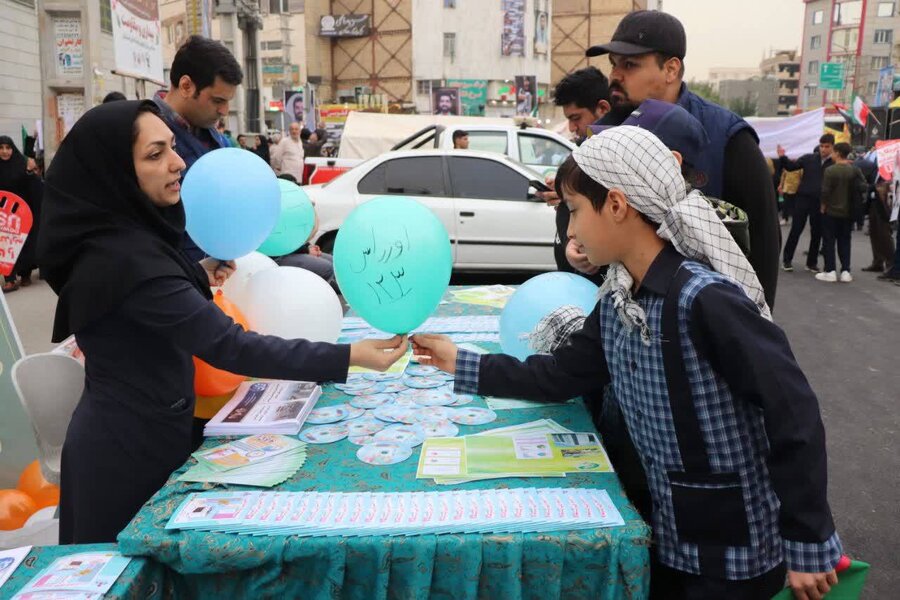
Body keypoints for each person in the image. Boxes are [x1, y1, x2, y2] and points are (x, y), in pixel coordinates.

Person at [412, 126, 842, 600]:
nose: (570, 230)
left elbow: (793, 410)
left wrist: (808, 536)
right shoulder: (619, 297)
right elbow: (560, 374)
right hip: (671, 530)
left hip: (735, 548)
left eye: (574, 211)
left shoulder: (704, 300)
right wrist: (462, 363)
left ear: (617, 205)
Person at [37, 100, 408, 545]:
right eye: (155, 155)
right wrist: (350, 356)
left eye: (173, 148)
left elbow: (152, 301)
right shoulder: (125, 261)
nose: (177, 164)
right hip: (125, 455)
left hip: (146, 429)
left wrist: (198, 272)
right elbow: (231, 346)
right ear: (114, 171)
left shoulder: (124, 240)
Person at [587, 9, 780, 309]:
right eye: (613, 65)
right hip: (625, 312)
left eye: (630, 64)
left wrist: (754, 329)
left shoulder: (726, 136)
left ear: (671, 69)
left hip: (705, 317)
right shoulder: (606, 132)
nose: (615, 76)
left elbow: (764, 241)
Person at [152, 35, 242, 262]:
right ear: (186, 86)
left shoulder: (213, 136)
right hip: (171, 273)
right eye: (217, 100)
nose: (224, 110)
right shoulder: (142, 133)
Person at [546, 67, 611, 284]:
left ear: (602, 108)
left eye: (576, 118)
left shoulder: (618, 160)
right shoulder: (583, 152)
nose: (572, 127)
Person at [777, 135, 835, 273]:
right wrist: (782, 157)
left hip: (820, 202)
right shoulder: (809, 158)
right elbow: (791, 167)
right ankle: (787, 260)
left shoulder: (833, 162)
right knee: (796, 229)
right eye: (821, 146)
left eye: (827, 146)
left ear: (832, 147)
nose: (823, 149)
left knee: (817, 233)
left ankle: (811, 262)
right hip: (803, 198)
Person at [271, 174, 337, 291]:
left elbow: (294, 237)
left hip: (294, 251)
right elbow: (279, 245)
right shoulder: (274, 211)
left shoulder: (290, 209)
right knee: (327, 268)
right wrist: (306, 250)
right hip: (278, 257)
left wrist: (308, 246)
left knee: (334, 262)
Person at [815, 142, 866, 283]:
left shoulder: (830, 170)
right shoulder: (854, 170)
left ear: (837, 153)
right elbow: (864, 186)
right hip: (848, 212)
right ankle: (845, 271)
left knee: (829, 241)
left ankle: (830, 270)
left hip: (831, 212)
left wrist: (823, 206)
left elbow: (825, 191)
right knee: (845, 241)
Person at [0, 136, 42, 291]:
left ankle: (25, 275)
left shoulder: (22, 163)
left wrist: (30, 172)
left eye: (8, 147)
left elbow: (34, 186)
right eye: (1, 148)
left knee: (23, 243)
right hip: (3, 214)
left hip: (21, 212)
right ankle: (9, 279)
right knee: (4, 245)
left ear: (13, 148)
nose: (4, 151)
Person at [864, 179, 896, 274]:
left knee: (885, 236)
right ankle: (878, 262)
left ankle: (891, 263)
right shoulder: (878, 168)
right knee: (874, 234)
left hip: (885, 202)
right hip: (875, 201)